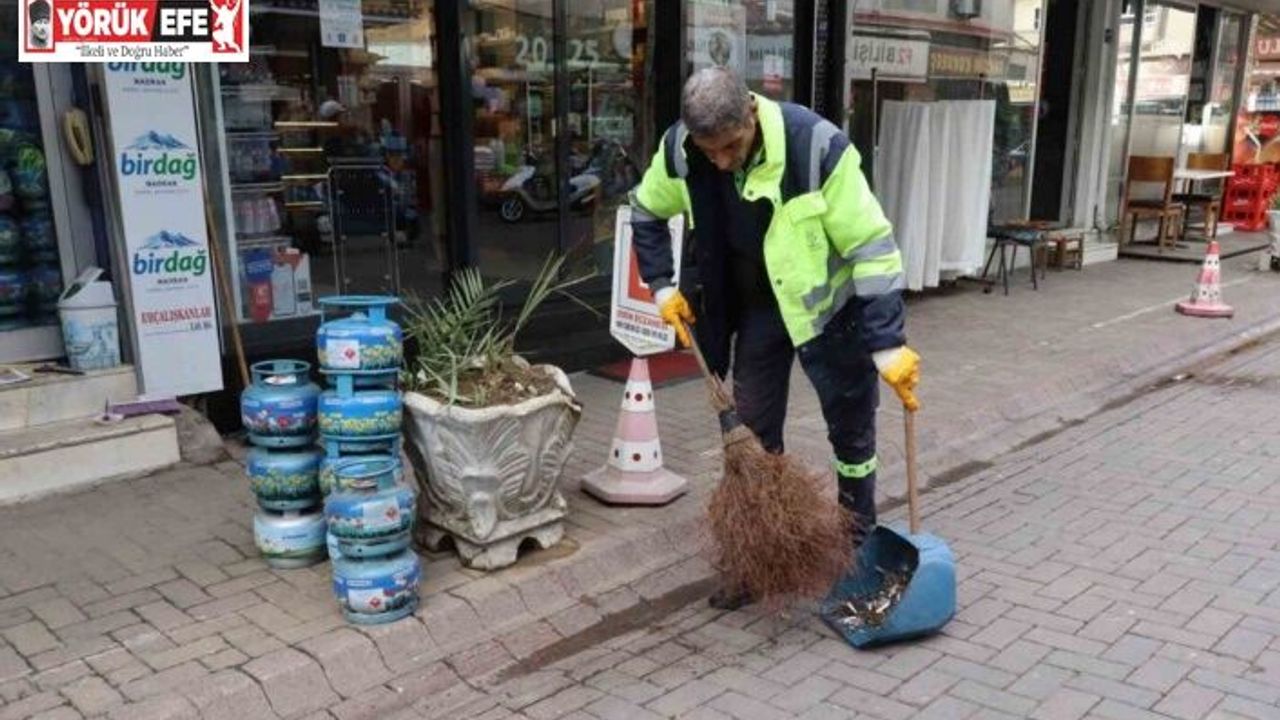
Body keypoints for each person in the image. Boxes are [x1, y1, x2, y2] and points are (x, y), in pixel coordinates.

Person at [629, 67, 921, 610]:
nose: (720, 160)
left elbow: (873, 248)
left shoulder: (818, 148)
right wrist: (663, 285)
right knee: (753, 435)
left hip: (830, 314)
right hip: (758, 311)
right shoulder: (681, 151)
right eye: (708, 150)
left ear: (752, 114)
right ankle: (759, 559)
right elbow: (645, 211)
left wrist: (888, 345)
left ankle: (856, 556)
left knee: (852, 438)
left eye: (730, 146)